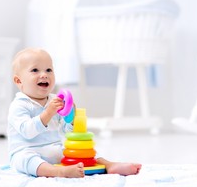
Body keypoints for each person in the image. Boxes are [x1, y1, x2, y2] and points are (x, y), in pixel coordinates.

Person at [7, 48, 142, 178]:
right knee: (25, 160)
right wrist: (48, 113)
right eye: (35, 70)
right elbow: (27, 131)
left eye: (49, 70)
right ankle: (58, 172)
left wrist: (71, 117)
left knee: (82, 153)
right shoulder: (19, 105)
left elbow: (67, 132)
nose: (44, 74)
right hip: (27, 151)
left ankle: (109, 165)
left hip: (54, 150)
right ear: (19, 81)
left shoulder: (55, 101)